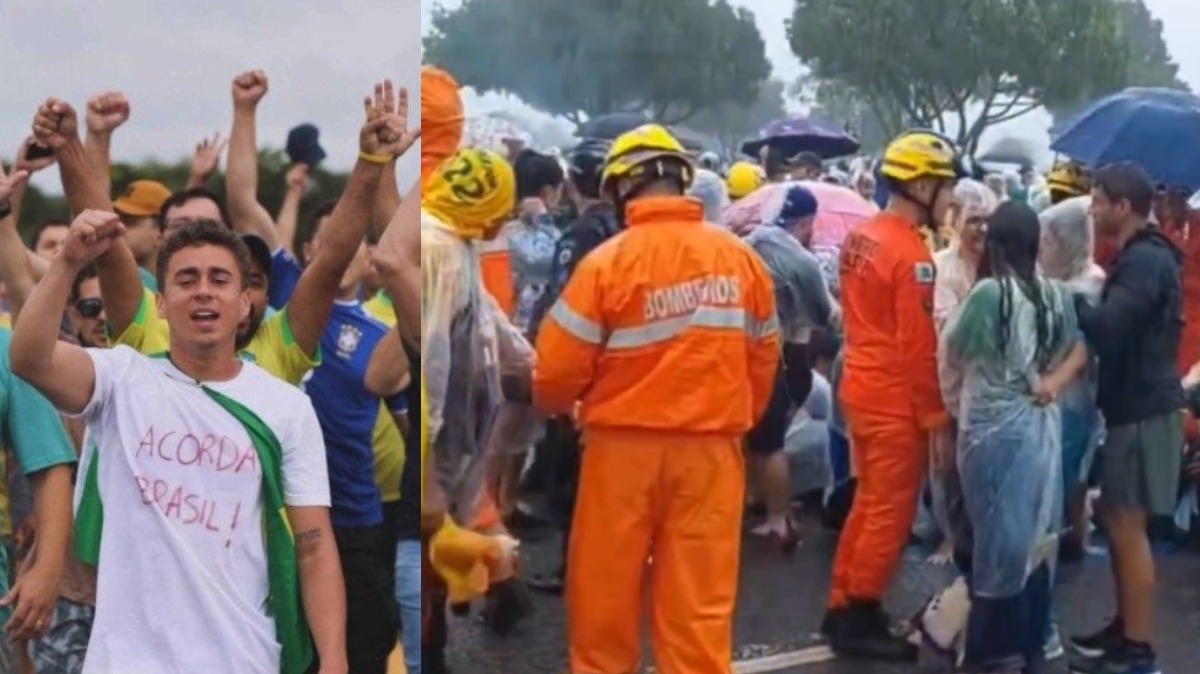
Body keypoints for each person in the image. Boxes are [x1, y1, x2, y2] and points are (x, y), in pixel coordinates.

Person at [10, 211, 347, 673]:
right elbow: (28, 359)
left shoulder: (285, 407)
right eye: (186, 280)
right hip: (126, 660)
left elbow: (313, 544)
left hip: (242, 656)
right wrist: (68, 260)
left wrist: (334, 658)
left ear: (245, 302)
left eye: (220, 279)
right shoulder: (121, 378)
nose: (204, 290)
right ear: (162, 303)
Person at [533, 124, 780, 674]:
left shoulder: (606, 264)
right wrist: (727, 420)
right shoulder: (740, 261)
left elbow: (553, 377)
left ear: (621, 188)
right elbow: (764, 363)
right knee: (698, 616)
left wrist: (569, 408)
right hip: (712, 456)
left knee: (604, 607)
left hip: (620, 457)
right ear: (682, 181)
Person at [824, 129, 965, 661]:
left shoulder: (863, 235)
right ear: (921, 184)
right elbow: (917, 347)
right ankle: (857, 611)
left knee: (866, 504)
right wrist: (935, 421)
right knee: (890, 512)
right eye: (946, 185)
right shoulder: (912, 255)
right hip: (891, 400)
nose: (950, 198)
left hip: (859, 387)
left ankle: (844, 602)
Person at [939, 201, 1086, 673]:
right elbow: (1076, 345)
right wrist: (1048, 382)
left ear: (998, 244)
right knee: (1035, 535)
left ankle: (992, 650)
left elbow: (955, 352)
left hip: (989, 433)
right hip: (1040, 428)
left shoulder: (989, 295)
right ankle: (1031, 641)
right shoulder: (1056, 295)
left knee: (995, 539)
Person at [1069, 162, 1183, 674]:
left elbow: (1110, 327)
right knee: (1116, 522)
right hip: (1132, 408)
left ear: (1123, 207)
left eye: (1098, 200)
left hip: (1142, 411)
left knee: (1128, 525)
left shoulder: (1143, 263)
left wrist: (1066, 300)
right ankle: (1124, 627)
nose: (1091, 209)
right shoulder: (1142, 257)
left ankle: (1137, 646)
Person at [743, 184, 835, 552]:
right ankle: (780, 519)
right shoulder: (802, 261)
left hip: (739, 353)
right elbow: (825, 316)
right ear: (808, 221)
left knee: (751, 437)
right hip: (779, 353)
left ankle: (755, 498)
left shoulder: (747, 243)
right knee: (771, 441)